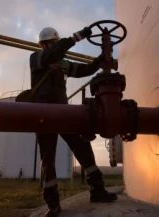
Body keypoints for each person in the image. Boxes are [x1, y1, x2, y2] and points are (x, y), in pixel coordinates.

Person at [29, 26, 118, 217]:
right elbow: (52, 54)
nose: (54, 45)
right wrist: (76, 38)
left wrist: (101, 58)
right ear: (44, 44)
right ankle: (53, 205)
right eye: (52, 43)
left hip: (63, 112)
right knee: (48, 159)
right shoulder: (36, 58)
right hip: (43, 113)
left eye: (55, 42)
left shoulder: (64, 64)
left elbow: (85, 69)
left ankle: (97, 190)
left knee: (82, 147)